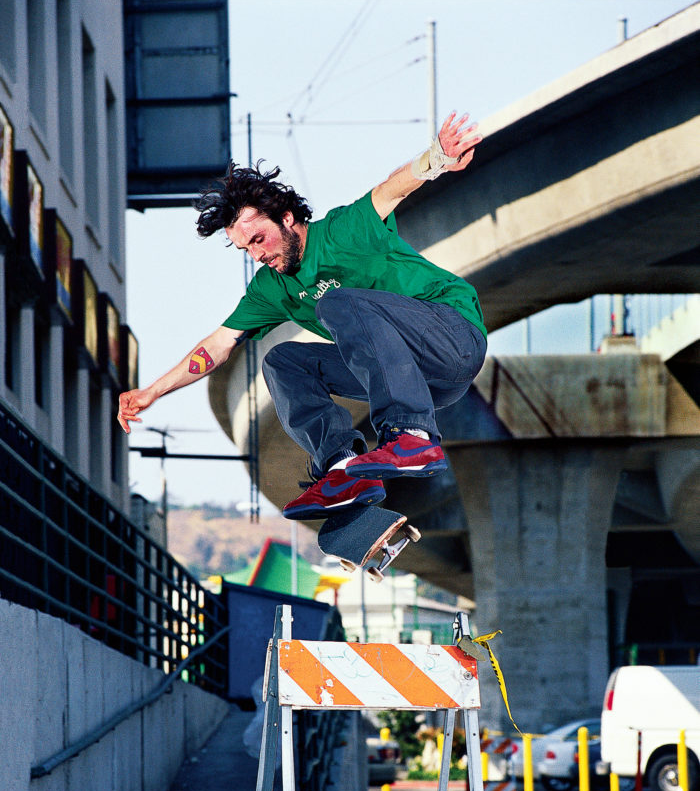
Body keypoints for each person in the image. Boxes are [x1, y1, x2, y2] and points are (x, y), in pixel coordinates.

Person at [118, 112, 487, 520]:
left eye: (259, 239)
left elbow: (391, 189)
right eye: (247, 250)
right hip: (422, 382)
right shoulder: (270, 288)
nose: (258, 254)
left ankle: (411, 433)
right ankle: (343, 467)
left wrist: (436, 156)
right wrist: (152, 391)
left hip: (452, 338)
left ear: (287, 218)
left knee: (337, 303)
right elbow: (218, 345)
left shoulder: (342, 231)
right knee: (282, 362)